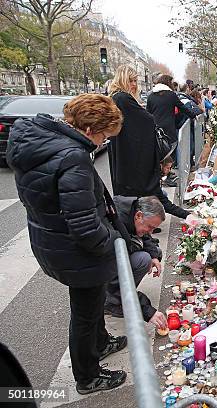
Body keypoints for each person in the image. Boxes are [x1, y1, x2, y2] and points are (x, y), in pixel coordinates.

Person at [7, 94, 127, 394]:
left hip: (52, 239)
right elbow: (85, 226)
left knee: (92, 303)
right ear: (89, 128)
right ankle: (87, 376)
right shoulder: (72, 156)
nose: (103, 143)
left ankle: (100, 343)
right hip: (75, 250)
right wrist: (114, 242)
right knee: (85, 313)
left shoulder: (43, 144)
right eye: (103, 136)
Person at [108, 65, 190, 219]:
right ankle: (141, 228)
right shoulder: (122, 98)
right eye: (131, 80)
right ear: (122, 80)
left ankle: (143, 226)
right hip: (133, 161)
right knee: (139, 197)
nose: (134, 84)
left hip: (126, 158)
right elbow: (146, 120)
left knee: (136, 198)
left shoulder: (117, 98)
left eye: (135, 81)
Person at [104, 196, 168, 330]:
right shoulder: (116, 224)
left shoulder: (133, 215)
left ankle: (122, 299)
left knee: (153, 253)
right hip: (105, 269)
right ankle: (112, 301)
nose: (151, 232)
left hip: (117, 258)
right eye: (150, 227)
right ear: (139, 216)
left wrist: (154, 256)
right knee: (143, 259)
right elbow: (123, 274)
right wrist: (147, 310)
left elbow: (145, 237)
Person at [147, 74, 198, 161]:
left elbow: (148, 112)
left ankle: (160, 171)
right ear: (167, 83)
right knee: (171, 150)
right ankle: (169, 170)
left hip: (156, 128)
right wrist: (193, 115)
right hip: (169, 128)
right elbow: (182, 108)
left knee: (159, 150)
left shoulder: (151, 96)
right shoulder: (171, 95)